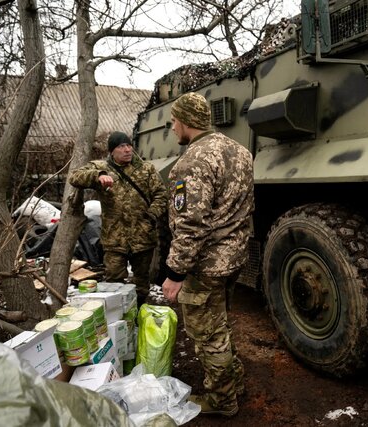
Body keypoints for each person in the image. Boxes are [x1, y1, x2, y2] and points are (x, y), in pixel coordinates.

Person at [161, 92, 255, 417]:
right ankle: (234, 381)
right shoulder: (240, 152)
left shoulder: (191, 163)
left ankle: (221, 400)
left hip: (206, 266)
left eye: (174, 120)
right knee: (221, 324)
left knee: (207, 334)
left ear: (185, 121)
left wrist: (174, 274)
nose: (173, 128)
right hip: (234, 258)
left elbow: (190, 226)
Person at [69, 131, 168, 305]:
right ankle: (119, 315)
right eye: (122, 146)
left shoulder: (146, 169)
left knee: (142, 281)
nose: (127, 150)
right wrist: (97, 175)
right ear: (112, 151)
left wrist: (151, 215)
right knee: (114, 281)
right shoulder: (102, 167)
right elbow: (75, 177)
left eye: (129, 145)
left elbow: (161, 195)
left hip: (143, 237)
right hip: (115, 239)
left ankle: (139, 311)